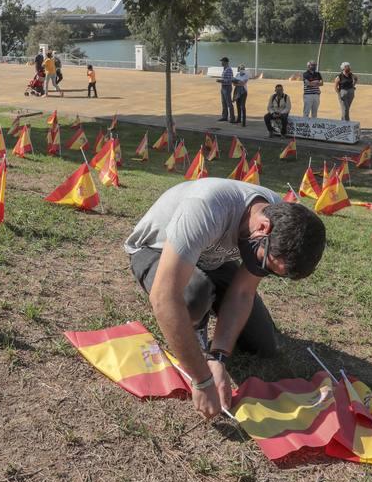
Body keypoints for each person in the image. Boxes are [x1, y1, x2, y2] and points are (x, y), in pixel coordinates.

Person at [125, 178, 326, 420]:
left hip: (212, 259)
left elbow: (243, 292)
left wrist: (219, 357)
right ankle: (196, 326)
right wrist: (202, 379)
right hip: (156, 249)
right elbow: (164, 297)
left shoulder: (278, 216)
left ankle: (206, 324)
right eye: (268, 266)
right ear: (263, 228)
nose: (265, 272)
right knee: (192, 295)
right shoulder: (206, 207)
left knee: (263, 344)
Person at [216, 57, 235, 123]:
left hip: (227, 87)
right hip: (223, 87)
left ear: (226, 62)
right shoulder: (225, 69)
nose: (221, 63)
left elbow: (230, 80)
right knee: (223, 102)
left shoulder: (229, 69)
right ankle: (224, 117)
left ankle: (232, 118)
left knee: (229, 103)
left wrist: (221, 80)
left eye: (222, 61)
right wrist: (221, 81)